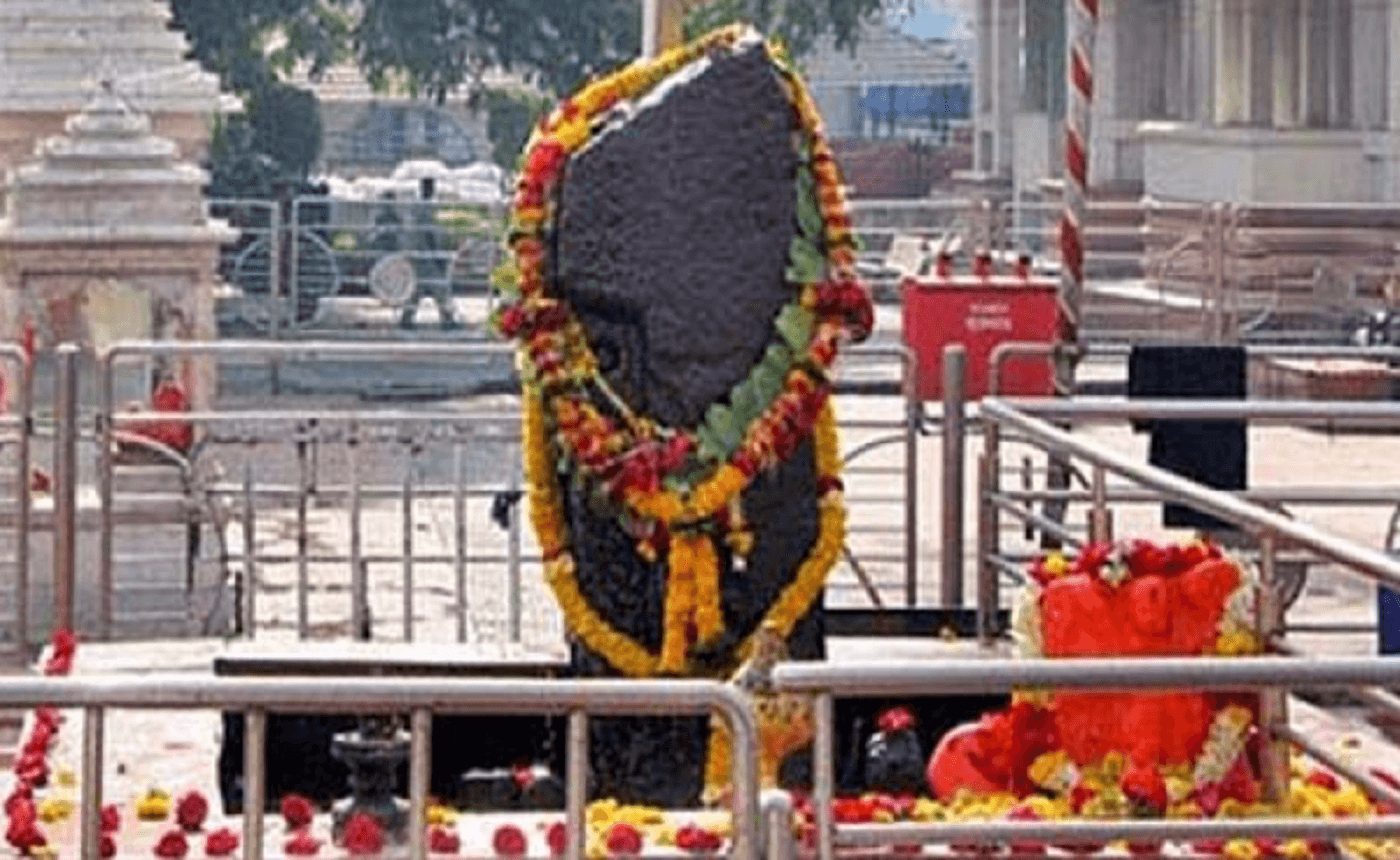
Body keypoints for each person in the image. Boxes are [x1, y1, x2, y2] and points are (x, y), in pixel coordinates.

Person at [400, 177, 460, 330]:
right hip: (427, 252)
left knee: (418, 287)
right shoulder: (427, 207)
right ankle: (447, 319)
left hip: (417, 252)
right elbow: (428, 233)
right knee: (438, 287)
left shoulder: (415, 206)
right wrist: (436, 253)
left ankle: (407, 318)